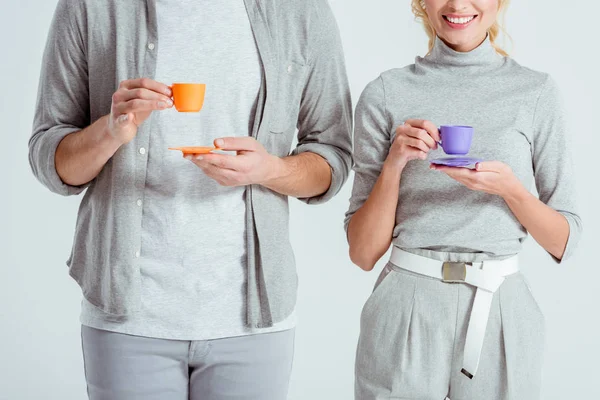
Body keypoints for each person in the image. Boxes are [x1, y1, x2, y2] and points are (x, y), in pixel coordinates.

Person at [29, 0, 352, 398]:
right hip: (127, 319)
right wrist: (111, 131)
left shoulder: (300, 11)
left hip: (253, 322)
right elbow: (51, 160)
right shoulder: (90, 7)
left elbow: (333, 158)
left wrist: (268, 170)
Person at [345, 0, 582, 399]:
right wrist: (394, 163)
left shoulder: (536, 91)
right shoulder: (385, 92)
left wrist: (511, 189)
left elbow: (565, 239)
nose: (457, 5)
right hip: (406, 304)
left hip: (502, 306)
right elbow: (363, 253)